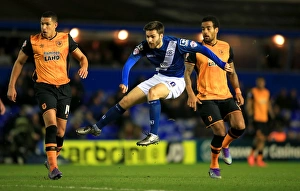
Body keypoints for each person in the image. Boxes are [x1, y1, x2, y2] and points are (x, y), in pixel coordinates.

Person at [76, 20, 232, 146]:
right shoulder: (143, 46)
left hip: (176, 81)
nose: (149, 40)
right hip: (159, 77)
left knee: (153, 93)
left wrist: (221, 64)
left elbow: (202, 49)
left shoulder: (177, 43)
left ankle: (154, 134)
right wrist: (124, 82)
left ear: (161, 35)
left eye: (152, 36)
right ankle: (97, 128)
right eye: (147, 36)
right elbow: (129, 63)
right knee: (125, 101)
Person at [7, 11, 88, 180]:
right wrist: (11, 85)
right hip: (44, 88)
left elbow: (82, 57)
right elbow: (19, 62)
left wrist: (84, 66)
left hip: (64, 89)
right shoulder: (33, 41)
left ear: (55, 25)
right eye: (42, 24)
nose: (43, 27)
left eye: (47, 24)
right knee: (51, 125)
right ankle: (53, 168)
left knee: (60, 131)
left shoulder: (66, 39)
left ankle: (51, 160)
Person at [184, 15, 246, 179]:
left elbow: (232, 72)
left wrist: (237, 91)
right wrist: (190, 93)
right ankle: (214, 166)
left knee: (240, 126)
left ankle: (225, 146)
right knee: (220, 131)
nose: (205, 31)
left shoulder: (226, 47)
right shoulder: (195, 49)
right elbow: (187, 74)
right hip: (206, 98)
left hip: (225, 95)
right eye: (203, 28)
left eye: (208, 28)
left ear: (216, 30)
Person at [246, 77, 274, 167]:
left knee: (261, 140)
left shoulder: (267, 92)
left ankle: (257, 158)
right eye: (259, 82)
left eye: (262, 82)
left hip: (264, 119)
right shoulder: (253, 92)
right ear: (257, 83)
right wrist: (249, 115)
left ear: (264, 83)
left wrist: (272, 115)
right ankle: (254, 157)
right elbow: (249, 104)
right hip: (256, 118)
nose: (261, 84)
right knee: (260, 137)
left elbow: (268, 105)